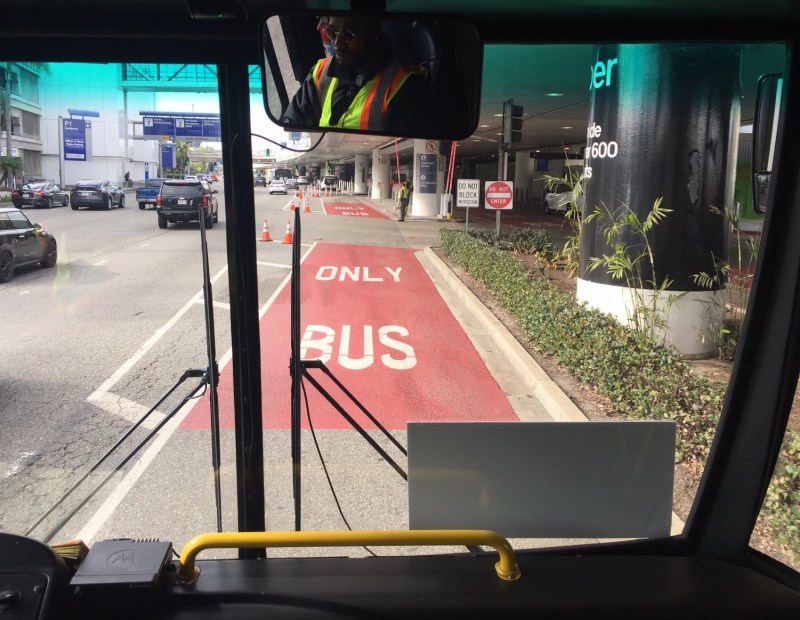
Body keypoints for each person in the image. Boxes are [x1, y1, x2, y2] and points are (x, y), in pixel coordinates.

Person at [282, 15, 430, 133]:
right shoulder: (320, 72)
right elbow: (292, 125)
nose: (337, 42)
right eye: (332, 31)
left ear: (374, 30)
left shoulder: (405, 85)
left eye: (347, 33)